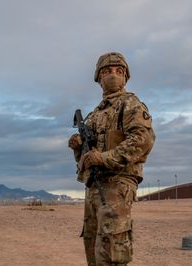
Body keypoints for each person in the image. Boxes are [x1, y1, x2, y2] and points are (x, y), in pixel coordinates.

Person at [68, 52, 155, 266]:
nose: (113, 75)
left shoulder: (130, 104)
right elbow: (88, 159)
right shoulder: (95, 114)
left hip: (117, 185)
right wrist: (79, 148)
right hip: (95, 186)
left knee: (111, 252)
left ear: (125, 77)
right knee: (93, 247)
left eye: (118, 71)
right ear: (99, 78)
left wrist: (104, 158)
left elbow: (142, 139)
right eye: (107, 71)